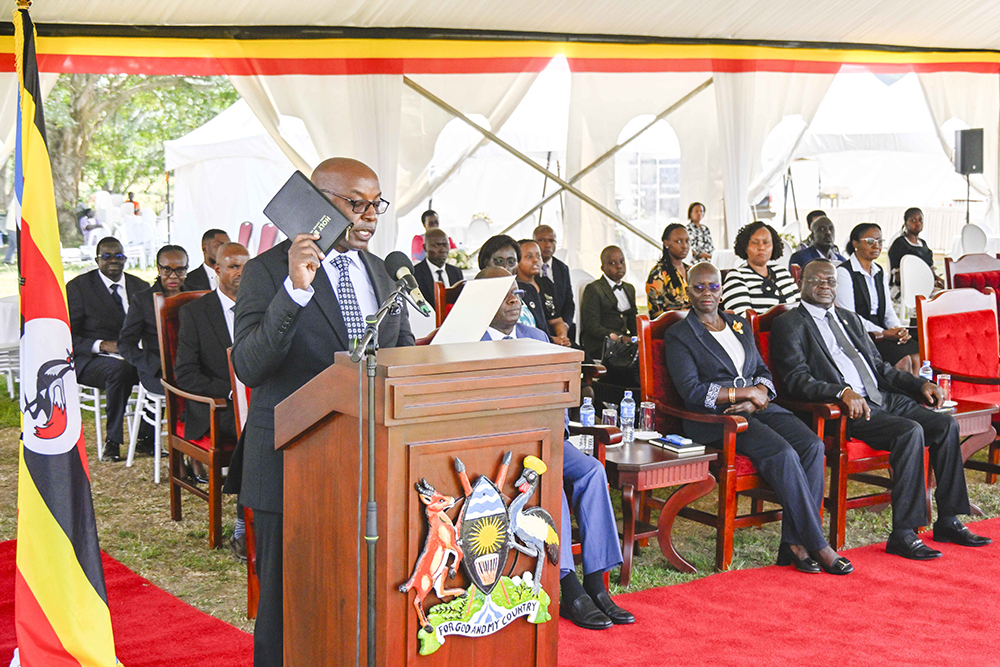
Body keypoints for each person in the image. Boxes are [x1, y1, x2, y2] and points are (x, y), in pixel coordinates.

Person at [230, 157, 413, 666]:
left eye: (376, 205)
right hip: (289, 462)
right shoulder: (267, 271)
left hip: (370, 462)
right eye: (356, 204)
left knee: (360, 593)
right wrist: (297, 290)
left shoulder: (380, 270)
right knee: (286, 605)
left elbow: (400, 352)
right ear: (316, 203)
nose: (369, 216)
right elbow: (249, 365)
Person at [772, 259, 991, 560]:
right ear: (801, 283)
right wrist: (841, 391)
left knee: (944, 425)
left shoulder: (849, 319)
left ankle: (949, 520)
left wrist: (917, 385)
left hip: (882, 397)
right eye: (816, 280)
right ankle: (904, 533)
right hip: (847, 408)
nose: (825, 285)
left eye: (831, 280)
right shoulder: (790, 324)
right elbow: (795, 380)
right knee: (909, 432)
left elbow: (879, 367)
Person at [665, 262, 853, 575]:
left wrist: (757, 394)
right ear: (688, 291)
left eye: (713, 286)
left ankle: (793, 543)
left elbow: (763, 372)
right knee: (782, 453)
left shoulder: (739, 324)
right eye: (699, 287)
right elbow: (692, 391)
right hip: (717, 419)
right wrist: (743, 395)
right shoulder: (680, 334)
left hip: (757, 408)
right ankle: (818, 544)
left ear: (722, 290)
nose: (707, 293)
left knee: (811, 445)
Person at [477, 267, 634, 629]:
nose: (515, 299)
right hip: (504, 448)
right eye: (504, 294)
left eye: (516, 291)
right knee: (551, 482)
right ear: (483, 301)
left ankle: (597, 583)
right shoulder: (469, 343)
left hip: (548, 436)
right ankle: (568, 585)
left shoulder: (534, 335)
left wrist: (559, 428)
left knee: (592, 470)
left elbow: (559, 391)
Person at [175, 242, 250, 562]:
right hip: (215, 406)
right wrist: (231, 391)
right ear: (216, 269)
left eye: (246, 266)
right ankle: (243, 527)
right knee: (256, 435)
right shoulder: (195, 312)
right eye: (233, 266)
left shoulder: (260, 306)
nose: (240, 273)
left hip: (257, 401)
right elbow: (185, 373)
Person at [66, 237, 149, 462]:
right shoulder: (78, 288)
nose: (113, 261)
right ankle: (113, 441)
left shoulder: (140, 287)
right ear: (97, 259)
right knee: (119, 370)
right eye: (107, 256)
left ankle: (147, 438)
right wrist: (100, 345)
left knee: (157, 365)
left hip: (133, 354)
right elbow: (66, 335)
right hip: (91, 358)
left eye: (119, 256)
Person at [836, 223, 920, 374]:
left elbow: (887, 309)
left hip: (883, 329)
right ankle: (901, 395)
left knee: (918, 354)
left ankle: (919, 395)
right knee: (904, 360)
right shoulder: (844, 272)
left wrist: (897, 329)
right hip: (860, 333)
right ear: (855, 243)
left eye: (880, 241)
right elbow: (849, 317)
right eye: (870, 241)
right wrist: (884, 333)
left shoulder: (879, 271)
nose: (876, 246)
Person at [119, 245, 191, 396]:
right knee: (192, 389)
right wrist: (157, 365)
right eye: (167, 270)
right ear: (158, 269)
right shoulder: (143, 300)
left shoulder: (195, 295)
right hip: (158, 371)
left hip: (192, 367)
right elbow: (125, 344)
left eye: (180, 270)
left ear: (187, 269)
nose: (173, 276)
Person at [478, 234, 551, 339]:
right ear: (486, 263)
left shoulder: (529, 290)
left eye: (511, 261)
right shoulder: (477, 292)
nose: (505, 266)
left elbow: (543, 330)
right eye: (499, 261)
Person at [722, 221, 799, 317]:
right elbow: (742, 320)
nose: (761, 247)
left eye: (766, 242)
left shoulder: (782, 272)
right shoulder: (737, 276)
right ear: (745, 247)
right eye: (755, 243)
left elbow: (800, 306)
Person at [579, 245, 637, 368]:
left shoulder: (629, 289)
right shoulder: (594, 289)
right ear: (603, 267)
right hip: (600, 343)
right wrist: (617, 337)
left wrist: (638, 337)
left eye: (622, 262)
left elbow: (633, 321)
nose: (619, 266)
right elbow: (592, 326)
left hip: (623, 342)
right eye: (612, 263)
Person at [517, 238, 571, 346]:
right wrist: (553, 340)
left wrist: (562, 337)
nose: (535, 260)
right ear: (516, 260)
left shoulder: (546, 283)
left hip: (555, 340)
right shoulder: (516, 290)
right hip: (533, 342)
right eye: (529, 256)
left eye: (538, 256)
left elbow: (556, 320)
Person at [887, 207, 946, 300]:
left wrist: (945, 283)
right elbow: (898, 275)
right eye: (913, 220)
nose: (918, 223)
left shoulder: (923, 244)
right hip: (906, 288)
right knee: (938, 299)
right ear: (905, 223)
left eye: (920, 220)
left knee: (947, 295)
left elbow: (931, 272)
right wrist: (925, 284)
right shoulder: (900, 244)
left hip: (926, 286)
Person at [532, 225, 576, 339]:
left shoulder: (562, 268)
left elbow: (569, 302)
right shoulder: (528, 270)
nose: (547, 245)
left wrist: (565, 325)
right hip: (538, 329)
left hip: (561, 328)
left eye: (551, 241)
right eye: (542, 240)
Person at [646, 223, 691, 318]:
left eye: (687, 241)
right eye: (678, 241)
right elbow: (655, 314)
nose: (684, 246)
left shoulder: (692, 270)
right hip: (672, 328)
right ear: (666, 243)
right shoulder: (658, 273)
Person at [413, 227, 462, 310]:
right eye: (436, 245)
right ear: (425, 248)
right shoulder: (416, 273)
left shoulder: (456, 272)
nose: (442, 250)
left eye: (445, 245)